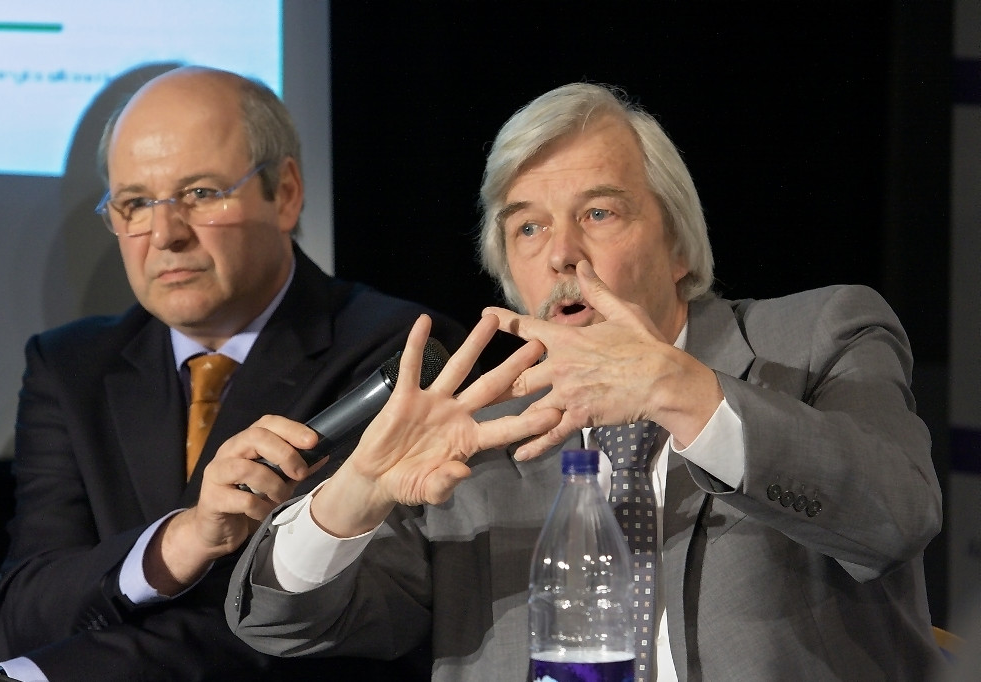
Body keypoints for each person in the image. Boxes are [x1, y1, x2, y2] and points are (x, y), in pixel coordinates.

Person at [226, 83, 946, 681]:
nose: (562, 253)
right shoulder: (479, 435)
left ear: (678, 246)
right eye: (528, 229)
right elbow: (281, 623)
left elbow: (897, 515)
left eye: (598, 213)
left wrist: (684, 392)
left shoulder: (817, 337)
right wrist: (357, 492)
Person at [0, 66, 467, 682]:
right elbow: (24, 614)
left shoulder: (397, 354)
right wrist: (179, 542)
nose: (166, 234)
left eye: (201, 193)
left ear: (284, 193)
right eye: (136, 203)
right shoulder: (71, 368)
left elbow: (287, 631)